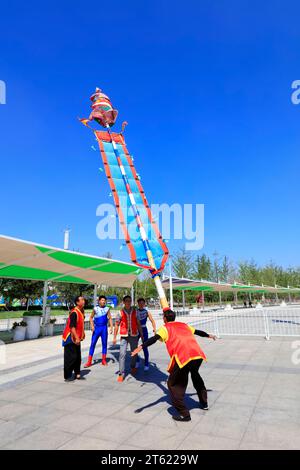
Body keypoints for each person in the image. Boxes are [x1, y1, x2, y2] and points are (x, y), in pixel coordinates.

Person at [132, 309, 217, 422]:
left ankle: (184, 414)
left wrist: (141, 347)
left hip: (183, 357)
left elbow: (154, 339)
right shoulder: (183, 325)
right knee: (195, 376)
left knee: (173, 384)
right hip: (197, 355)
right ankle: (204, 403)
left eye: (163, 317)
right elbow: (197, 332)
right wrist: (209, 335)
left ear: (165, 319)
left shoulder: (165, 328)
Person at [113, 295, 144, 382]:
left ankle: (133, 366)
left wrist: (141, 335)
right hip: (124, 336)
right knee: (122, 354)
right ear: (123, 302)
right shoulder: (120, 312)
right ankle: (121, 373)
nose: (128, 302)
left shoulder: (135, 312)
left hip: (134, 335)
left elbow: (138, 323)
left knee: (134, 353)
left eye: (129, 301)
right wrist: (114, 337)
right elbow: (116, 325)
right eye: (126, 301)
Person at [84, 295, 113, 367]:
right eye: (102, 300)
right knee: (93, 344)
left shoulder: (107, 309)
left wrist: (111, 327)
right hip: (97, 329)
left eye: (104, 300)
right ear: (99, 301)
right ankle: (89, 361)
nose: (103, 301)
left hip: (104, 328)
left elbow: (110, 318)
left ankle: (103, 360)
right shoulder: (95, 309)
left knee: (104, 344)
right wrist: (92, 326)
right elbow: (90, 318)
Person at [62, 296, 86, 381]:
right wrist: (76, 337)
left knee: (77, 357)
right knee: (70, 358)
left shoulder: (81, 311)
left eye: (83, 300)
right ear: (77, 302)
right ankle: (67, 376)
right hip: (70, 337)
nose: (84, 301)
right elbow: (72, 327)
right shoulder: (74, 313)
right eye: (82, 300)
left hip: (76, 337)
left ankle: (77, 374)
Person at [136, 298, 156, 371]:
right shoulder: (135, 312)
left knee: (145, 347)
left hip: (144, 330)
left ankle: (146, 363)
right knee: (134, 346)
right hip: (136, 330)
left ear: (144, 304)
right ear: (138, 304)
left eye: (142, 303)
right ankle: (137, 360)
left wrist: (154, 330)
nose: (141, 305)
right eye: (140, 303)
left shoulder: (147, 312)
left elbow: (152, 321)